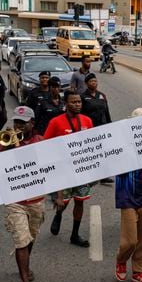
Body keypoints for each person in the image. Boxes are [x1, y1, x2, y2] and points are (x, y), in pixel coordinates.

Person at [0, 106, 46, 282]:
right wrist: (8, 146)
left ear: (32, 124)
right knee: (21, 240)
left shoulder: (40, 142)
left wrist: (58, 195)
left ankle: (25, 265)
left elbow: (51, 168)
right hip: (15, 200)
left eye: (22, 123)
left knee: (30, 237)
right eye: (16, 122)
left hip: (36, 199)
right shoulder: (3, 142)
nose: (18, 126)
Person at [43, 91, 93, 247]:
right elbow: (45, 146)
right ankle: (58, 215)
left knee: (79, 202)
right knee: (62, 202)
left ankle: (74, 235)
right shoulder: (55, 122)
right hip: (63, 172)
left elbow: (93, 145)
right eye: (74, 102)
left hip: (81, 171)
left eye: (79, 101)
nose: (77, 104)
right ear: (66, 104)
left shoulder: (87, 121)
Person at [114, 107, 142, 282]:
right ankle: (121, 260)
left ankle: (138, 270)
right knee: (130, 240)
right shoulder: (121, 144)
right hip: (128, 195)